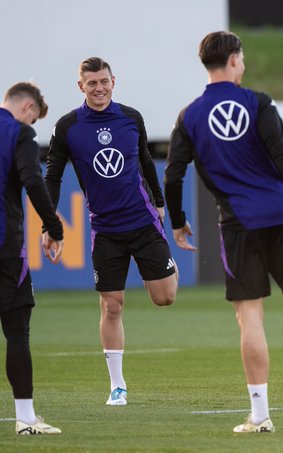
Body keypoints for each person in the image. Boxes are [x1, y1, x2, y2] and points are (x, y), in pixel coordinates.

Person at [164, 31, 283, 434]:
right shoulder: (258, 102)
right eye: (243, 58)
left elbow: (174, 174)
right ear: (234, 60)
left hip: (237, 224)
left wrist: (179, 220)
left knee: (249, 317)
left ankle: (260, 415)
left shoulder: (190, 116)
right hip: (279, 211)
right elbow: (282, 153)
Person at [44, 57, 178, 407]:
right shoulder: (68, 127)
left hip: (144, 221)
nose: (99, 88)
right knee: (112, 306)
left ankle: (167, 265)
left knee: (164, 298)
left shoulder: (131, 118)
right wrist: (49, 221)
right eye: (92, 83)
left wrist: (160, 202)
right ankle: (117, 386)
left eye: (104, 81)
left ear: (113, 81)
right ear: (81, 87)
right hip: (105, 230)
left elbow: (147, 161)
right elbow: (53, 176)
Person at [1, 82, 64, 434]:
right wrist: (54, 227)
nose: (32, 124)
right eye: (34, 118)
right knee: (16, 329)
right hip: (5, 247)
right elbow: (32, 180)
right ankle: (25, 419)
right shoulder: (19, 134)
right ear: (28, 107)